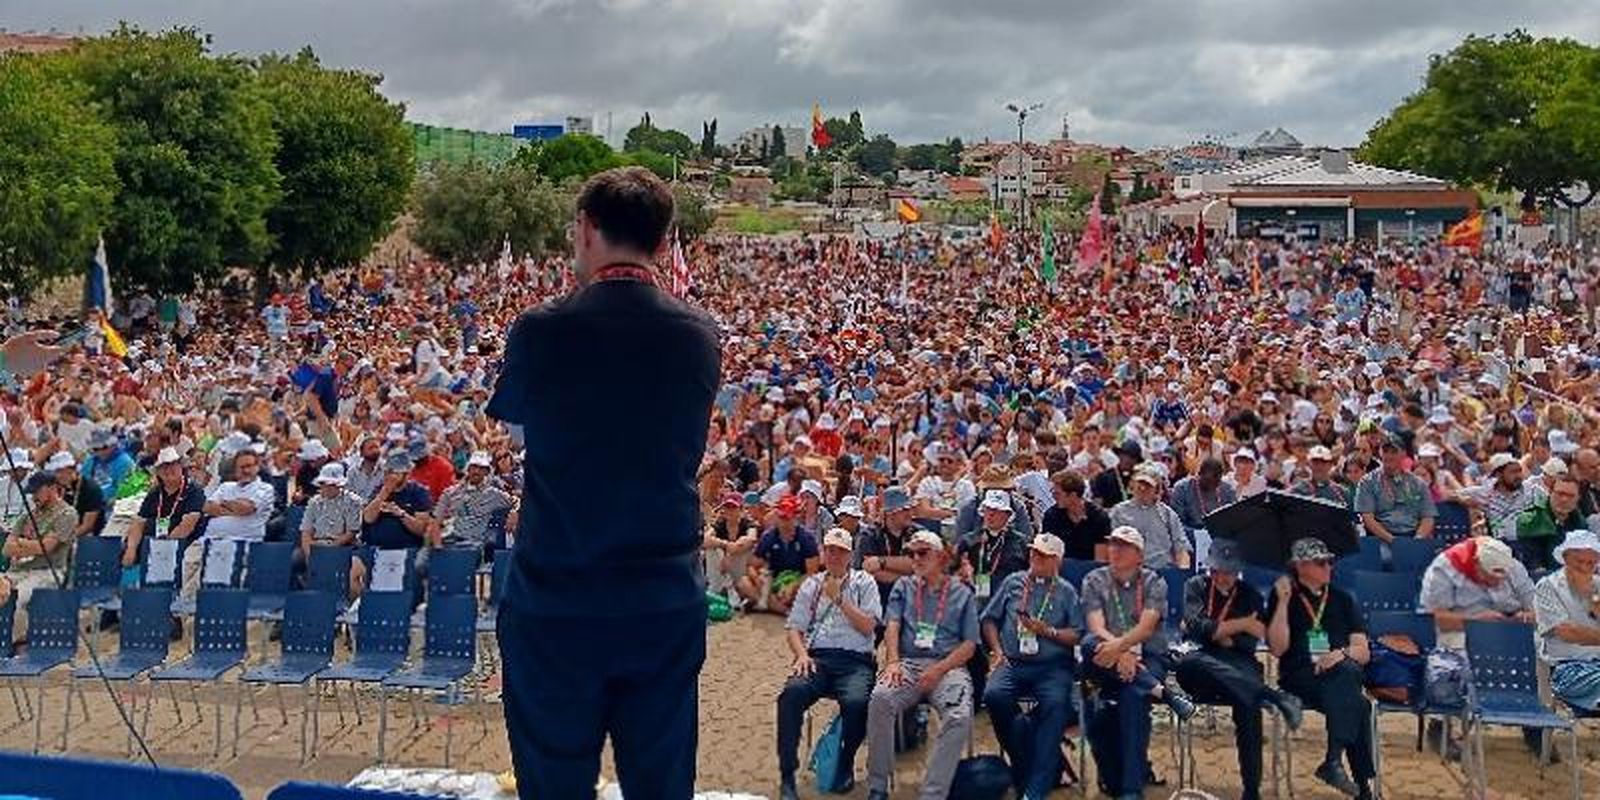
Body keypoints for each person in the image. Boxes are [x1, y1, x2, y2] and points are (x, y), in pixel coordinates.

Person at [488, 167, 721, 800]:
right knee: (661, 784)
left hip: (556, 599)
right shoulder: (699, 335)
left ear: (587, 229)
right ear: (663, 240)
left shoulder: (541, 329)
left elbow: (515, 421)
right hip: (661, 598)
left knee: (553, 786)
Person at [1173, 537, 1303, 800]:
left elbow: (1246, 643)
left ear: (1238, 571)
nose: (1222, 577)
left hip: (1238, 663)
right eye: (1217, 571)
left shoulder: (1250, 595)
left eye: (1228, 572)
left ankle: (1251, 790)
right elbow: (1196, 627)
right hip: (1200, 665)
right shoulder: (1195, 586)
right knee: (1189, 662)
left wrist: (1217, 632)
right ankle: (1273, 696)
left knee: (1248, 703)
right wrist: (1241, 624)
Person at [1079, 526, 1196, 800]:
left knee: (1133, 697)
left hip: (1147, 658)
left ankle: (1132, 789)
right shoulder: (1094, 579)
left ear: (1139, 555)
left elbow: (1146, 628)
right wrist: (1123, 653)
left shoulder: (1154, 582)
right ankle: (1164, 694)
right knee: (1089, 644)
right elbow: (1096, 626)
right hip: (1104, 658)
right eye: (1113, 544)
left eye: (1123, 546)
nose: (1115, 550)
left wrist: (1123, 651)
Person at [864, 530, 978, 800]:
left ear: (940, 557)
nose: (915, 558)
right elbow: (892, 626)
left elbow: (969, 645)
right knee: (880, 698)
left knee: (959, 716)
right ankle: (878, 785)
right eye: (911, 553)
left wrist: (939, 670)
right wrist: (892, 661)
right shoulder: (903, 587)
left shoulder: (962, 593)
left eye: (922, 553)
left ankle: (933, 793)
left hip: (948, 667)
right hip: (909, 664)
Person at [775, 528, 882, 799]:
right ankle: (787, 775)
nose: (834, 556)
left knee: (857, 702)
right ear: (823, 552)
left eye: (840, 551)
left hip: (856, 660)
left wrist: (839, 599)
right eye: (830, 550)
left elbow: (868, 627)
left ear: (850, 555)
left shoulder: (864, 582)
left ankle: (845, 763)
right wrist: (801, 654)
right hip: (818, 658)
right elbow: (794, 628)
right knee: (791, 695)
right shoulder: (811, 585)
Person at [1265, 538, 1375, 799]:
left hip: (1338, 675)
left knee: (1355, 693)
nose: (1329, 567)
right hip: (1300, 676)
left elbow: (1363, 652)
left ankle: (1336, 763)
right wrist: (1282, 603)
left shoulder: (1343, 599)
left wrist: (1339, 654)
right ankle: (1359, 784)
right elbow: (1277, 649)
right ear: (1301, 567)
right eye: (1321, 562)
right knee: (1357, 701)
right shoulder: (1285, 596)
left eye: (1330, 562)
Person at [981, 533, 1084, 800]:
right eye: (1033, 552)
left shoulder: (1066, 592)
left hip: (1052, 667)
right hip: (1012, 662)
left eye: (1042, 555)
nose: (1034, 558)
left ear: (1056, 561)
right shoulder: (1013, 582)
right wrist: (997, 651)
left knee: (1055, 705)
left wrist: (1047, 631)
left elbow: (1078, 634)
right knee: (994, 695)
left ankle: (1035, 789)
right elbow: (989, 619)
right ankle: (1029, 768)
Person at [0, 473, 79, 643]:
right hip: (18, 571)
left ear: (52, 488)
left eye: (37, 492)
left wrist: (21, 543)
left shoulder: (67, 514)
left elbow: (45, 548)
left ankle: (17, 645)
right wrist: (29, 546)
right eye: (32, 493)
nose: (33, 497)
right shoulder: (29, 515)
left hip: (48, 571)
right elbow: (6, 549)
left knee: (22, 597)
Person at [191, 448, 277, 600]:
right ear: (235, 470)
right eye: (241, 467)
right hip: (208, 542)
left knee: (218, 583)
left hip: (242, 544)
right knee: (187, 564)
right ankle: (187, 609)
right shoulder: (226, 487)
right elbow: (206, 507)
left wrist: (223, 504)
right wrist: (235, 508)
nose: (245, 471)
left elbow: (246, 508)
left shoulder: (265, 489)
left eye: (249, 466)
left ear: (257, 467)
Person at [1534, 530, 1600, 714]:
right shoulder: (1548, 586)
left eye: (1591, 563)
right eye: (1579, 561)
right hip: (1568, 669)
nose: (1585, 568)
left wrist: (1592, 599)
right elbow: (1567, 632)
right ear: (1565, 559)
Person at [120, 447, 206, 569]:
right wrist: (131, 548)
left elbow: (187, 525)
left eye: (172, 465)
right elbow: (139, 521)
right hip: (154, 541)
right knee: (124, 548)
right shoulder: (155, 493)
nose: (168, 470)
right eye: (163, 467)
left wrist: (163, 549)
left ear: (181, 467)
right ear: (158, 472)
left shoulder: (194, 491)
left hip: (182, 545)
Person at [1462, 452, 1547, 569]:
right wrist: (1466, 502)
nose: (1518, 476)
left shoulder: (1531, 490)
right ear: (1499, 475)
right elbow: (1452, 495)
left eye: (1519, 471)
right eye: (1513, 472)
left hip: (1529, 544)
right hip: (1500, 547)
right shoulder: (1486, 493)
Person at [741, 495, 821, 615]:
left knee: (812, 587)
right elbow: (752, 565)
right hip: (773, 581)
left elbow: (812, 572)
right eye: (781, 517)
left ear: (795, 516)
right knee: (744, 582)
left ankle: (766, 603)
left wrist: (794, 586)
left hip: (797, 580)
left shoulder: (806, 538)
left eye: (787, 517)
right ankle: (781, 609)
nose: (784, 522)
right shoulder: (768, 536)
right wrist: (757, 579)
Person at [1354, 437, 1437, 543]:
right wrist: (1392, 540)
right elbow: (1367, 517)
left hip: (1413, 536)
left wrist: (1417, 540)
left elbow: (1428, 517)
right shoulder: (1367, 482)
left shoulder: (1418, 484)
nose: (1389, 456)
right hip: (1380, 538)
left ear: (1403, 454)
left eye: (1394, 452)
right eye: (1385, 451)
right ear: (1380, 453)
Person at [1108, 466, 1192, 570]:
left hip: (1163, 570)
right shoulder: (1118, 512)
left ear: (1156, 490)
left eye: (1148, 485)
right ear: (1132, 485)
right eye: (1140, 483)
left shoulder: (1167, 514)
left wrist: (1182, 573)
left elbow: (1181, 548)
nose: (1142, 488)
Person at [432, 450, 517, 551]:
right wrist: (438, 546)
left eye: (481, 468)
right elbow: (436, 520)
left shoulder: (494, 494)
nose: (476, 471)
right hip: (450, 543)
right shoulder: (450, 493)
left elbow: (517, 502)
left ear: (486, 472)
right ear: (468, 469)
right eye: (474, 467)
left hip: (476, 546)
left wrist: (514, 512)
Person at [856, 486, 919, 609]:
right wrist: (910, 578)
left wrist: (881, 562)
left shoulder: (917, 533)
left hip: (911, 601)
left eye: (910, 509)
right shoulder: (870, 535)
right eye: (904, 510)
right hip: (878, 600)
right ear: (890, 513)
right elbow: (870, 570)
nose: (910, 514)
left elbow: (917, 564)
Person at [1515, 474, 1587, 573]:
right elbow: (1534, 565)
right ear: (1550, 492)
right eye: (1560, 494)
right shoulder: (1531, 521)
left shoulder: (1579, 522)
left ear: (1578, 498)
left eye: (1571, 496)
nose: (1564, 500)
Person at [1042, 469, 1111, 561]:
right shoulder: (1051, 516)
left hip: (1089, 566)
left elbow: (1100, 559)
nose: (1053, 497)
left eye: (1057, 494)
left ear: (1073, 495)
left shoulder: (1098, 517)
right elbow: (1048, 550)